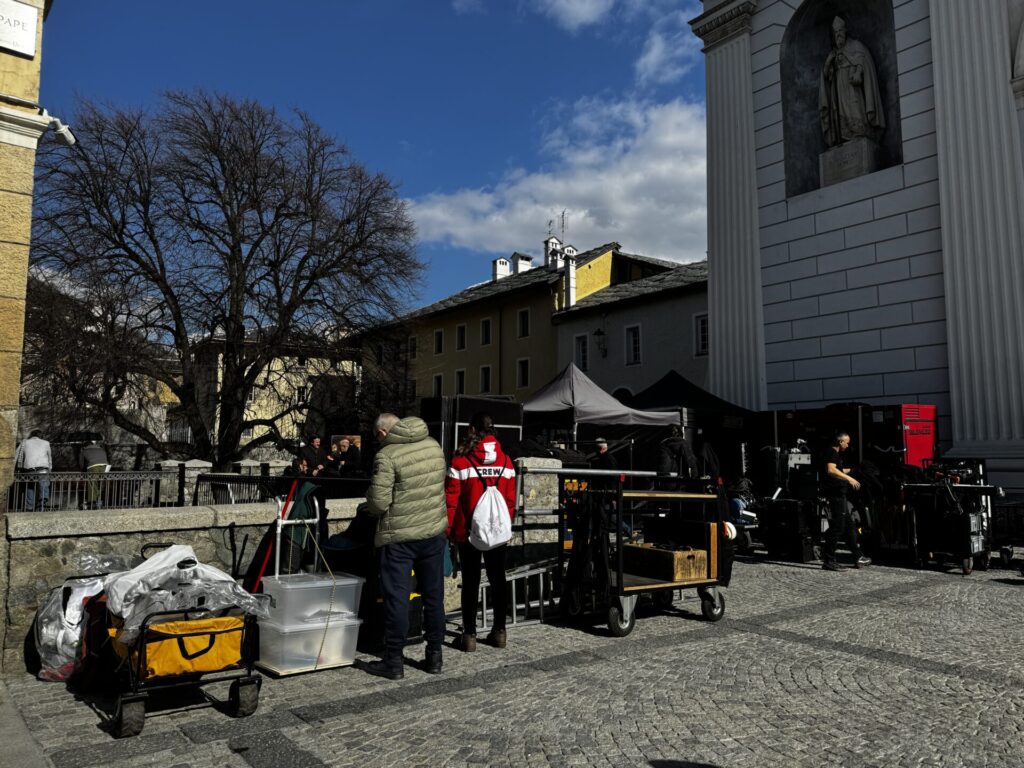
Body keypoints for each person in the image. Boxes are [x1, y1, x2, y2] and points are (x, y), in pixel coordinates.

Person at [364, 413, 448, 679]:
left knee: (397, 599)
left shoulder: (387, 456)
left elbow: (378, 502)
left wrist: (368, 498)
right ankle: (434, 656)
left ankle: (393, 661)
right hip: (433, 533)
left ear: (383, 433)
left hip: (399, 538)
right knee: (434, 597)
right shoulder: (434, 445)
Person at [445, 413, 516, 652]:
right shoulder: (506, 461)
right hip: (497, 531)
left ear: (472, 430)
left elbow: (451, 501)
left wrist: (450, 531)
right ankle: (499, 632)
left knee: (471, 581)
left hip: (468, 531)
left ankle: (469, 635)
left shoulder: (460, 461)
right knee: (498, 579)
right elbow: (510, 500)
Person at [819, 16, 885, 148]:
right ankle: (843, 139)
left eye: (840, 31)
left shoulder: (856, 46)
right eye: (836, 33)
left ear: (845, 31)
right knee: (840, 116)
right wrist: (828, 62)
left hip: (853, 88)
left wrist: (858, 73)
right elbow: (826, 75)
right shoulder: (833, 54)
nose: (838, 35)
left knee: (856, 111)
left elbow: (863, 62)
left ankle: (860, 134)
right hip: (838, 89)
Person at [821, 431, 871, 571]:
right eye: (847, 442)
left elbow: (840, 470)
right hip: (835, 495)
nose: (848, 445)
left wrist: (856, 471)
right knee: (837, 527)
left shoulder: (834, 454)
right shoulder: (832, 452)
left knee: (849, 527)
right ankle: (829, 560)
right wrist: (850, 479)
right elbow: (831, 470)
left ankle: (858, 557)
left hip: (840, 495)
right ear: (840, 442)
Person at [14, 430, 52, 511]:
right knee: (44, 486)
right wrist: (50, 469)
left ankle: (29, 507)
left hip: (29, 470)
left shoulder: (25, 442)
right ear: (41, 436)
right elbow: (49, 458)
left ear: (31, 435)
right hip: (43, 469)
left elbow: (16, 455)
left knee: (30, 488)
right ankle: (42, 504)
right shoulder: (46, 443)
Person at [80, 439, 109, 510]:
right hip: (105, 467)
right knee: (100, 485)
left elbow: (81, 464)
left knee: (92, 484)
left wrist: (83, 472)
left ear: (84, 446)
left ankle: (92, 504)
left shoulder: (84, 451)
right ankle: (99, 502)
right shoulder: (101, 449)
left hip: (93, 467)